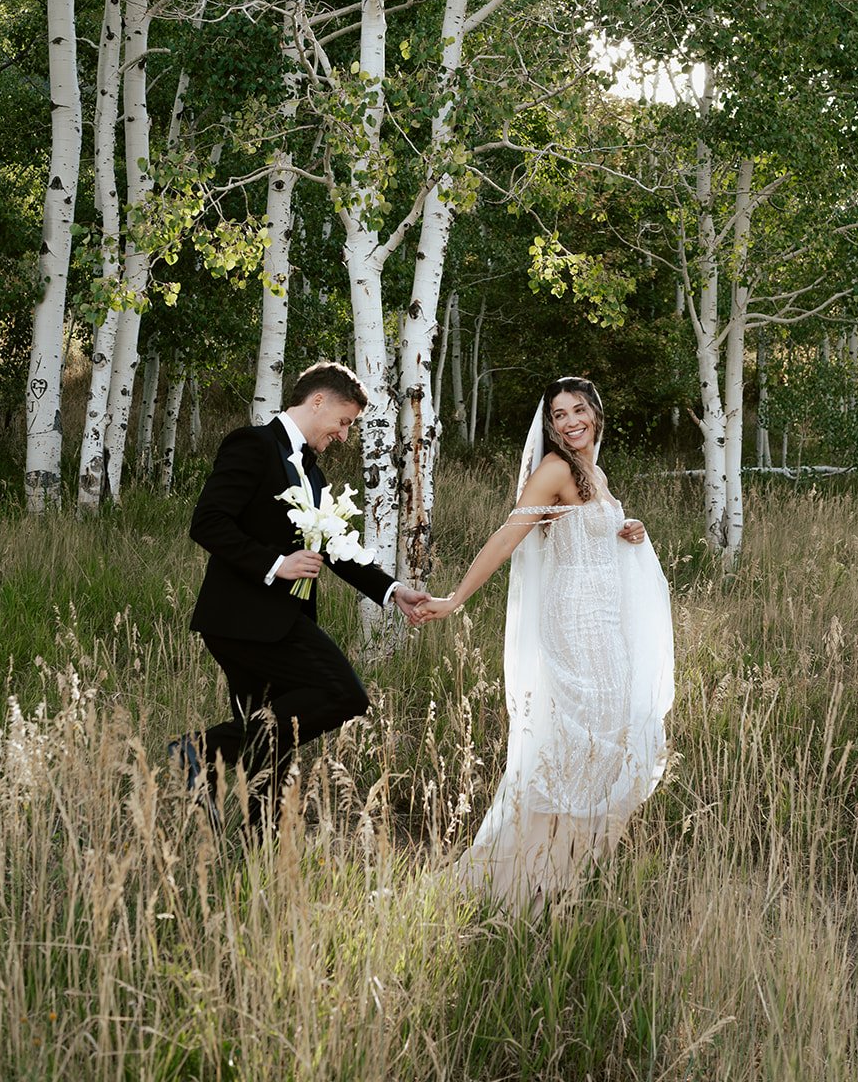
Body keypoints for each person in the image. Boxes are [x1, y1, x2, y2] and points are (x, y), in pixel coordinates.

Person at [415, 376, 674, 905]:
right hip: (575, 623)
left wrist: (631, 530)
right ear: (550, 425)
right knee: (579, 743)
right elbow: (509, 535)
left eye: (579, 410)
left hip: (607, 623)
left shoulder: (594, 472)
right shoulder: (555, 470)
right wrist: (456, 596)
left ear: (596, 414)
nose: (571, 421)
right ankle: (535, 876)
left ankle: (563, 870)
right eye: (559, 414)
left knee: (611, 734)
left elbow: (594, 532)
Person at [170, 360, 428, 825]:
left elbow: (331, 546)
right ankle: (200, 751)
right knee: (344, 695)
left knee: (277, 737)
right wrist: (276, 565)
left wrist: (392, 591)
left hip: (271, 623)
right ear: (317, 401)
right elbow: (208, 522)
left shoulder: (311, 471)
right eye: (344, 421)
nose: (344, 434)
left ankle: (258, 852)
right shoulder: (253, 445)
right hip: (243, 619)